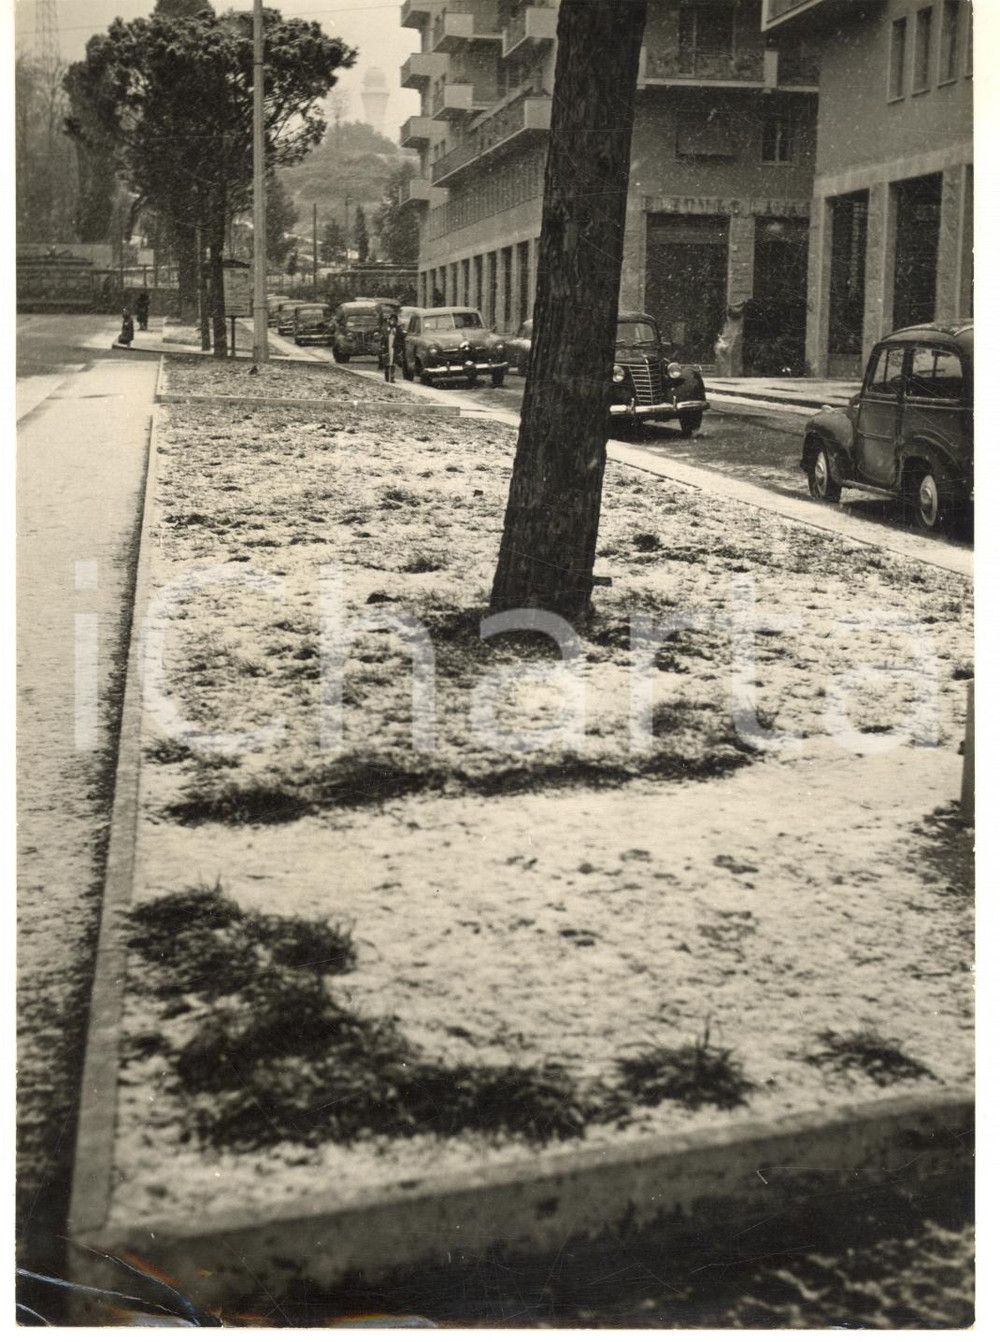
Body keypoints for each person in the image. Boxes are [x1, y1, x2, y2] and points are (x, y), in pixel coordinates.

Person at [380, 312, 399, 382]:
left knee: (393, 362)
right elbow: (382, 338)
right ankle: (387, 375)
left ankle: (392, 376)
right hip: (387, 346)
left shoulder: (397, 329)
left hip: (394, 347)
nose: (392, 321)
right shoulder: (385, 328)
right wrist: (382, 345)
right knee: (387, 361)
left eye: (394, 320)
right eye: (391, 320)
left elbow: (399, 338)